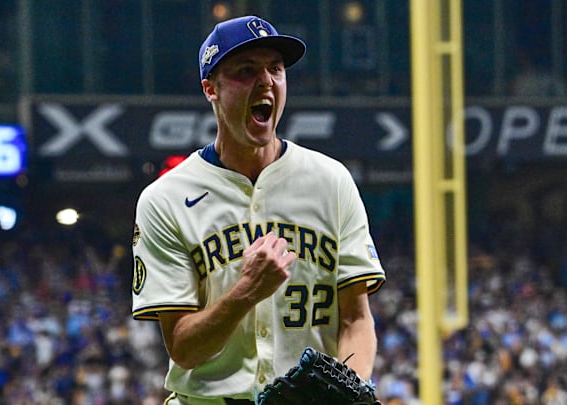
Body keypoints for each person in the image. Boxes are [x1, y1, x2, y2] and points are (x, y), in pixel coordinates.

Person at [130, 15, 386, 405]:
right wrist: (246, 292)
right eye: (246, 70)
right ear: (210, 88)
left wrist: (348, 392)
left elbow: (356, 319)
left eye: (276, 68)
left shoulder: (331, 181)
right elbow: (183, 348)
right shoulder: (164, 199)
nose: (266, 81)